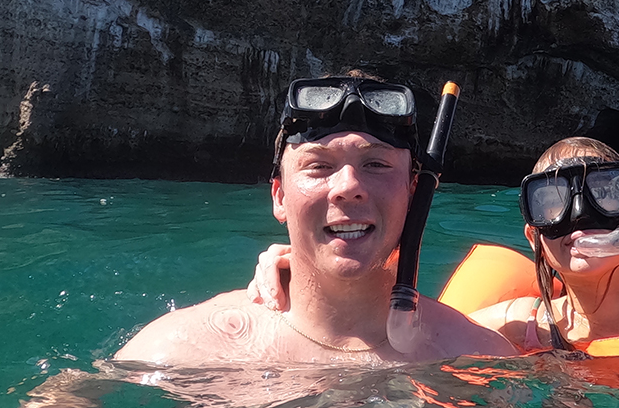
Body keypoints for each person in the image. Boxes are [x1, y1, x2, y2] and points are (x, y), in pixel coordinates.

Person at [249, 137, 619, 352]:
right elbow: (389, 341)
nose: (580, 221)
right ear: (533, 237)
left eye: (607, 195)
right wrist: (307, 269)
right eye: (552, 204)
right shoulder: (518, 327)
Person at [115, 73, 515, 366]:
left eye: (375, 164)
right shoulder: (185, 350)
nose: (348, 186)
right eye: (319, 166)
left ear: (415, 193)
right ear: (279, 196)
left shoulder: (480, 360)